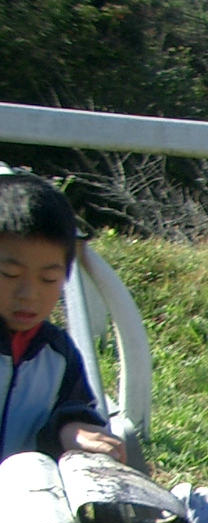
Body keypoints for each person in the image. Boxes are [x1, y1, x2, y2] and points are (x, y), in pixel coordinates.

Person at [0, 172, 124, 463]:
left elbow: (71, 409)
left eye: (48, 278)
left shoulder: (57, 352)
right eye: (10, 274)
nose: (29, 294)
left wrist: (73, 431)